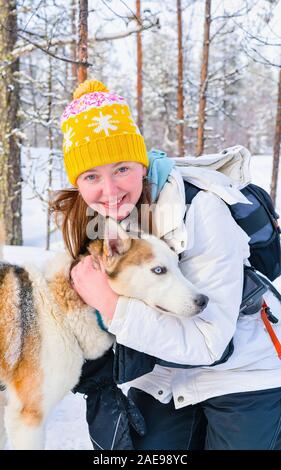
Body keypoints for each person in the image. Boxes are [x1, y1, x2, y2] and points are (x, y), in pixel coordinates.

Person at [51, 79, 281, 450]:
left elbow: (210, 345)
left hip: (241, 373)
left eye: (122, 169)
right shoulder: (98, 221)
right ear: (78, 182)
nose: (109, 191)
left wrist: (111, 306)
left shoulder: (203, 210)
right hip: (163, 375)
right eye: (92, 176)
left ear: (141, 165)